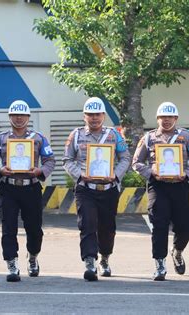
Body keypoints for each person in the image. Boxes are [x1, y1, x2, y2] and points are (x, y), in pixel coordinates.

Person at [0, 100, 55, 282]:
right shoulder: (0, 139)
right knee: (8, 228)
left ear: (28, 117)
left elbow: (50, 160)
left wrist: (40, 172)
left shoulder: (39, 138)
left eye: (22, 115)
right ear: (10, 117)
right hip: (8, 188)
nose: (19, 118)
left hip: (31, 188)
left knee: (34, 229)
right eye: (15, 115)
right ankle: (11, 263)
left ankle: (32, 257)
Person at [63, 97, 131, 281]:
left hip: (108, 188)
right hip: (86, 188)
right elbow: (67, 160)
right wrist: (80, 175)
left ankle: (105, 257)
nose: (94, 118)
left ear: (103, 115)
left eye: (97, 114)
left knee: (107, 228)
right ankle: (90, 262)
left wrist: (115, 175)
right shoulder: (75, 135)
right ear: (84, 116)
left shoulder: (114, 135)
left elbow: (125, 157)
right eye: (90, 114)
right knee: (87, 224)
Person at [132, 101, 189, 281]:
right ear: (157, 119)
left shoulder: (187, 137)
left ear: (176, 118)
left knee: (184, 226)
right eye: (163, 117)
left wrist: (186, 174)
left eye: (170, 117)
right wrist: (151, 172)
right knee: (159, 225)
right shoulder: (149, 138)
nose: (166, 120)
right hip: (158, 186)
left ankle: (177, 252)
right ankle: (160, 263)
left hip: (180, 185)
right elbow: (136, 162)